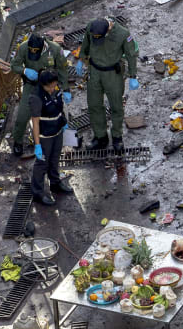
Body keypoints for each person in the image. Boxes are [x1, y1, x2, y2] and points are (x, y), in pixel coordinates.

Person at [78, 17, 139, 152]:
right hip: (94, 71)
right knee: (94, 105)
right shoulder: (91, 27)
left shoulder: (123, 34)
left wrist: (133, 75)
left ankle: (117, 137)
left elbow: (131, 54)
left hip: (112, 73)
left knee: (116, 106)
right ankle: (100, 137)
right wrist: (81, 59)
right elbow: (86, 44)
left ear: (108, 30)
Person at [10, 33, 70, 156]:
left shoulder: (55, 49)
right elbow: (14, 65)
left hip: (49, 86)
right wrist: (25, 70)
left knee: (58, 111)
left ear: (43, 46)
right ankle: (17, 141)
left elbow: (62, 70)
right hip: (31, 85)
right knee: (22, 116)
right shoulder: (23, 47)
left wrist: (66, 88)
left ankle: (61, 132)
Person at [29, 70, 72, 205]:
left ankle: (55, 183)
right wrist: (37, 144)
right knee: (42, 164)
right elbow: (35, 122)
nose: (53, 88)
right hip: (45, 135)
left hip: (57, 131)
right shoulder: (36, 98)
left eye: (54, 85)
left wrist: (63, 122)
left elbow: (59, 107)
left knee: (54, 159)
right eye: (50, 86)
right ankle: (38, 192)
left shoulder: (56, 90)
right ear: (43, 85)